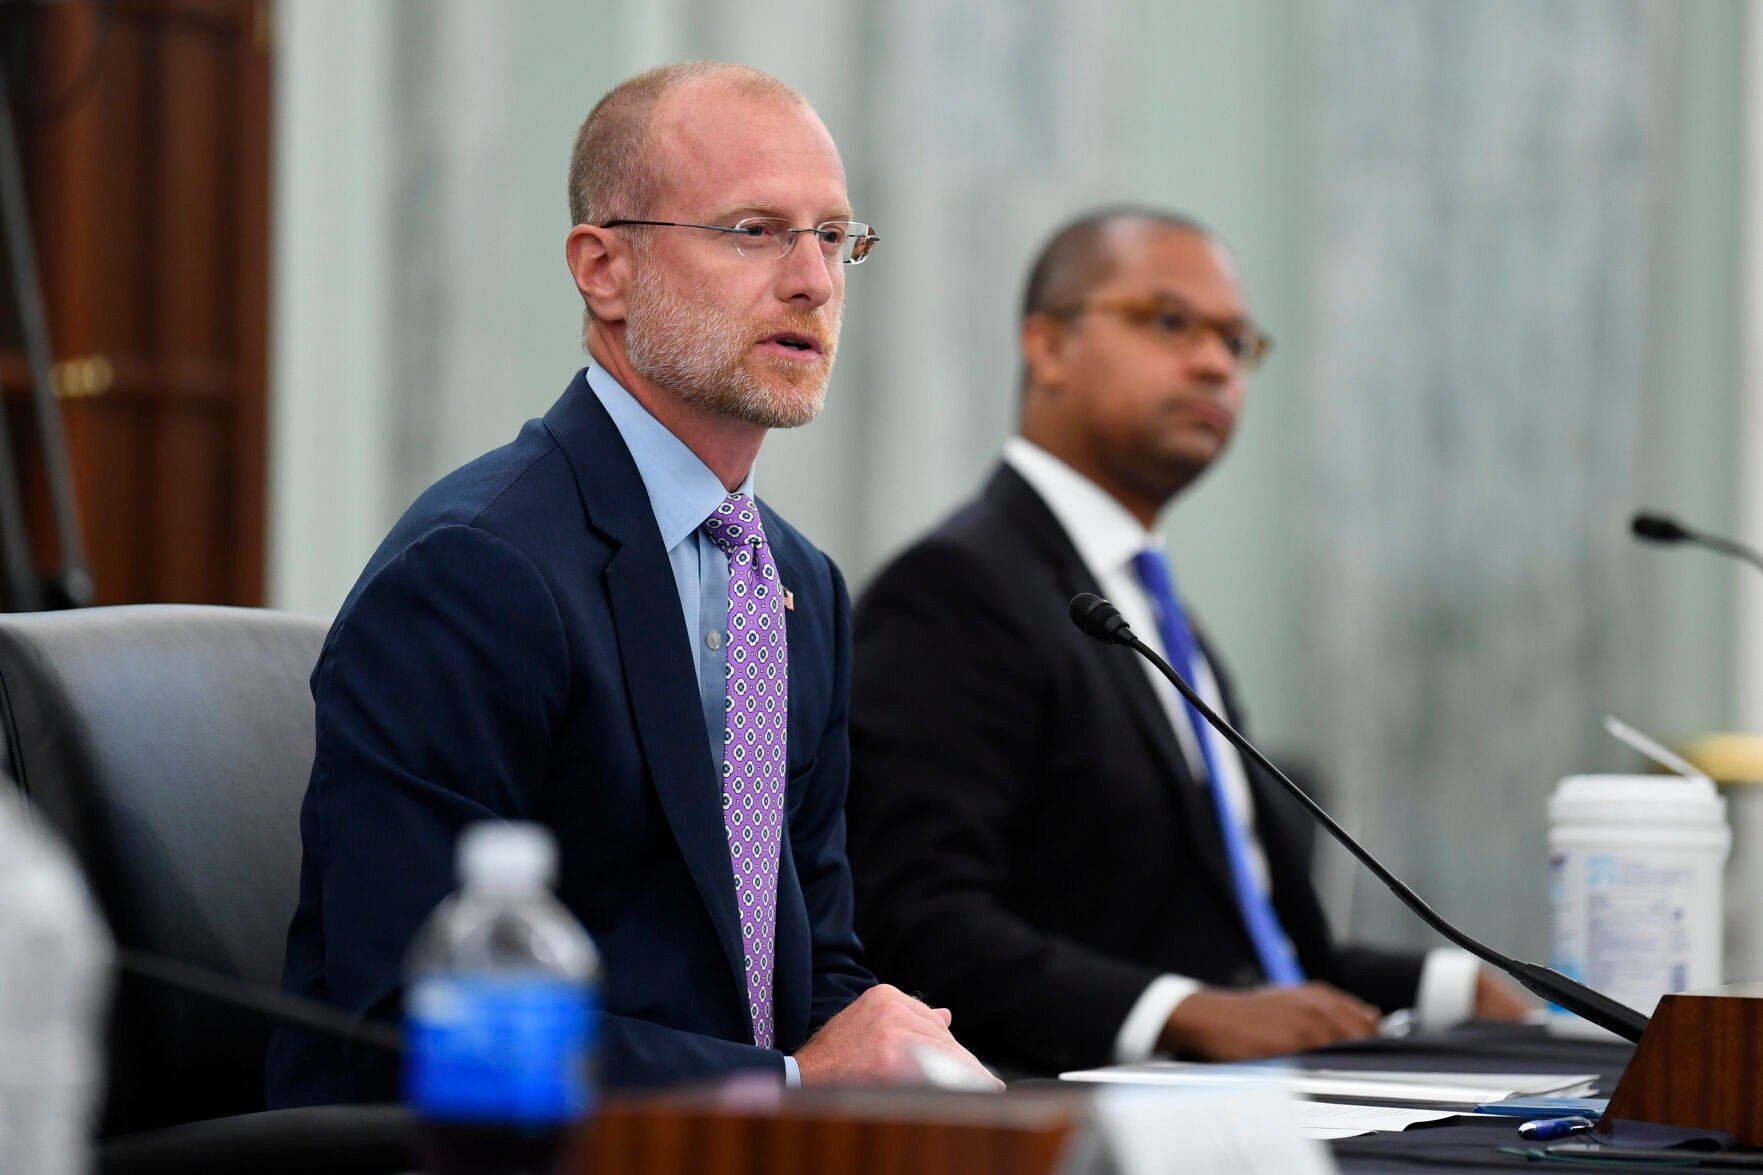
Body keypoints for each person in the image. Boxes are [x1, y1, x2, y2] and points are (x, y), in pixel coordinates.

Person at [266, 61, 996, 1106]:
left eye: (833, 236)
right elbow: (415, 1025)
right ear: (603, 269)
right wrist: (789, 1080)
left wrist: (894, 1052)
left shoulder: (796, 583)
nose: (813, 281)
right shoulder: (476, 573)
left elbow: (810, 962)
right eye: (753, 230)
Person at [846, 207, 1527, 1076]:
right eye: (1168, 322)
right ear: (1047, 346)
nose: (1213, 361)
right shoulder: (957, 588)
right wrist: (1179, 1013)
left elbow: (1271, 958)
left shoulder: (1152, 610)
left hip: (1271, 1089)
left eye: (1236, 341)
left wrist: (1451, 983)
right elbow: (920, 922)